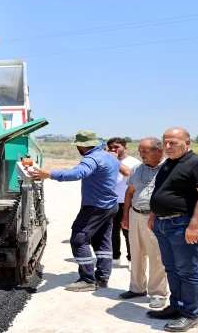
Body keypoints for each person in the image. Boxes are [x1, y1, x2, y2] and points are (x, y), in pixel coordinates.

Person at [29, 130, 119, 292]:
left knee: (78, 239)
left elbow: (78, 173)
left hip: (94, 207)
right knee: (103, 241)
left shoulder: (91, 159)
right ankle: (103, 277)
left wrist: (49, 174)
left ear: (81, 146)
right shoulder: (109, 157)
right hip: (110, 205)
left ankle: (87, 279)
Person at [146, 128, 198, 332]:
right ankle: (176, 307)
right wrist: (153, 215)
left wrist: (194, 226)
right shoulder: (168, 163)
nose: (167, 146)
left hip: (182, 224)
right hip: (162, 224)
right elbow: (160, 191)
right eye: (165, 142)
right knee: (171, 268)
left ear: (187, 142)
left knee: (187, 271)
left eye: (173, 142)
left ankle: (190, 314)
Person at [119, 137, 169, 309]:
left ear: (159, 151)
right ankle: (137, 288)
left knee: (157, 256)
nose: (141, 155)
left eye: (145, 151)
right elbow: (129, 192)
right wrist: (125, 216)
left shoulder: (169, 169)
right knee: (136, 253)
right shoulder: (136, 169)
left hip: (156, 218)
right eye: (140, 151)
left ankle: (158, 293)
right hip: (135, 215)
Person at [107, 137, 140, 269]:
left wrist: (115, 160)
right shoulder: (108, 160)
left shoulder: (133, 162)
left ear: (125, 148)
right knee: (112, 232)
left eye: (116, 147)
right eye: (111, 148)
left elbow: (128, 173)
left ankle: (131, 259)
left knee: (128, 232)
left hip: (127, 201)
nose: (113, 150)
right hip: (111, 201)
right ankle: (115, 257)